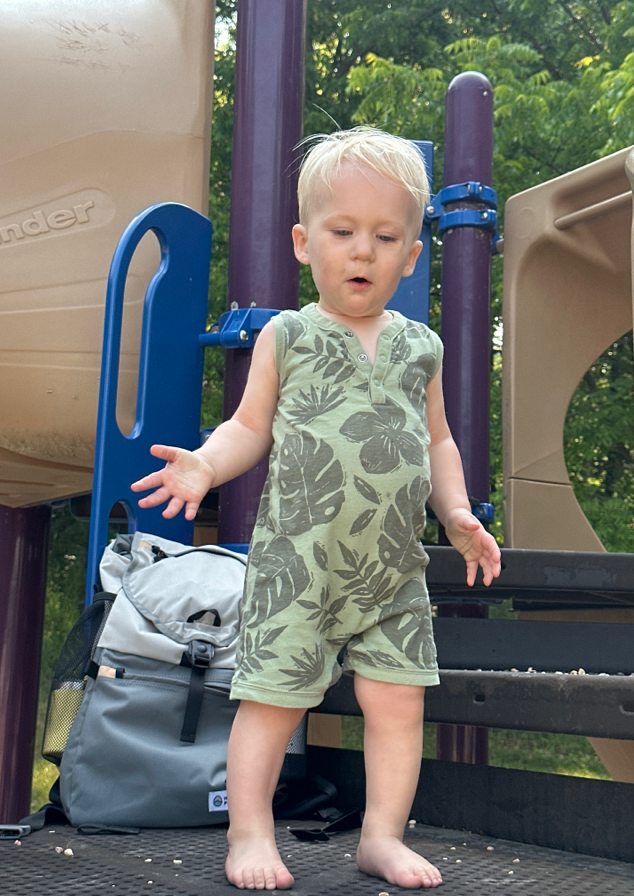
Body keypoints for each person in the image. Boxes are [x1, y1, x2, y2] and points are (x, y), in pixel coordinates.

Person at [132, 126, 501, 891]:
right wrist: (204, 463)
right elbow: (248, 428)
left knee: (398, 706)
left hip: (392, 570)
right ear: (305, 243)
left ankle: (380, 837)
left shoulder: (421, 347)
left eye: (384, 235)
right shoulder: (289, 336)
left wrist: (458, 512)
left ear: (410, 255)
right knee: (271, 703)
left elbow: (437, 444)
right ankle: (250, 831)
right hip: (298, 565)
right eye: (343, 232)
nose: (362, 251)